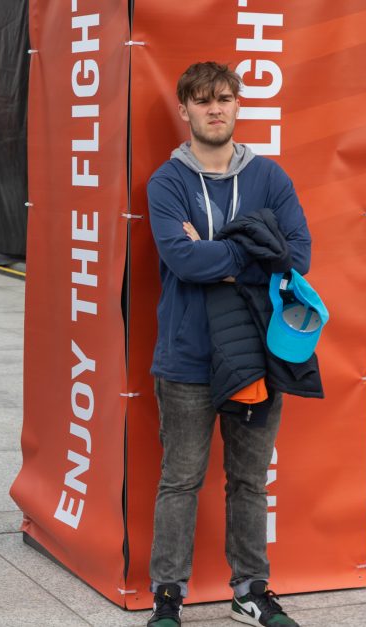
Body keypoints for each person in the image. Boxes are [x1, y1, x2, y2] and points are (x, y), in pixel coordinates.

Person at [145, 62, 310, 627]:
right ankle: (168, 595)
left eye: (224, 99)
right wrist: (253, 249)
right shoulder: (167, 182)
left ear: (238, 106)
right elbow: (182, 260)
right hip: (186, 355)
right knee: (181, 479)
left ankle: (250, 591)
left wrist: (221, 251)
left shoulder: (270, 177)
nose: (215, 109)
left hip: (256, 356)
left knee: (248, 479)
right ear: (185, 109)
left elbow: (297, 257)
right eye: (202, 100)